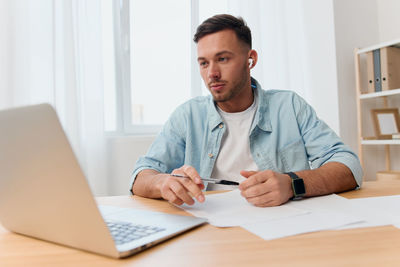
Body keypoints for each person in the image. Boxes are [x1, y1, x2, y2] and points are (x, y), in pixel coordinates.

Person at [130, 14, 362, 207]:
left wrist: (292, 184)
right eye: (204, 63)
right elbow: (141, 175)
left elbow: (348, 166)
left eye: (222, 58)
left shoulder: (289, 106)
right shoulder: (187, 116)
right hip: (209, 232)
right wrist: (163, 182)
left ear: (250, 60)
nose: (212, 73)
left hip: (281, 229)